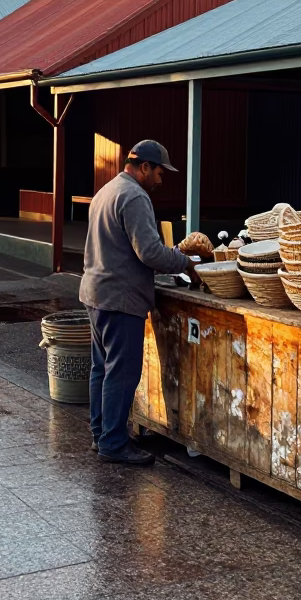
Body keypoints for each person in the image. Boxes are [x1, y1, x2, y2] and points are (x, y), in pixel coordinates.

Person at [80, 139, 198, 466]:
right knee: (121, 373)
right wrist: (185, 261)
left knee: (102, 369)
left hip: (95, 293)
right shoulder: (134, 196)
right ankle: (114, 445)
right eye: (159, 172)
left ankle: (102, 435)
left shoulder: (106, 191)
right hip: (120, 299)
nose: (160, 180)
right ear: (144, 167)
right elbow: (150, 252)